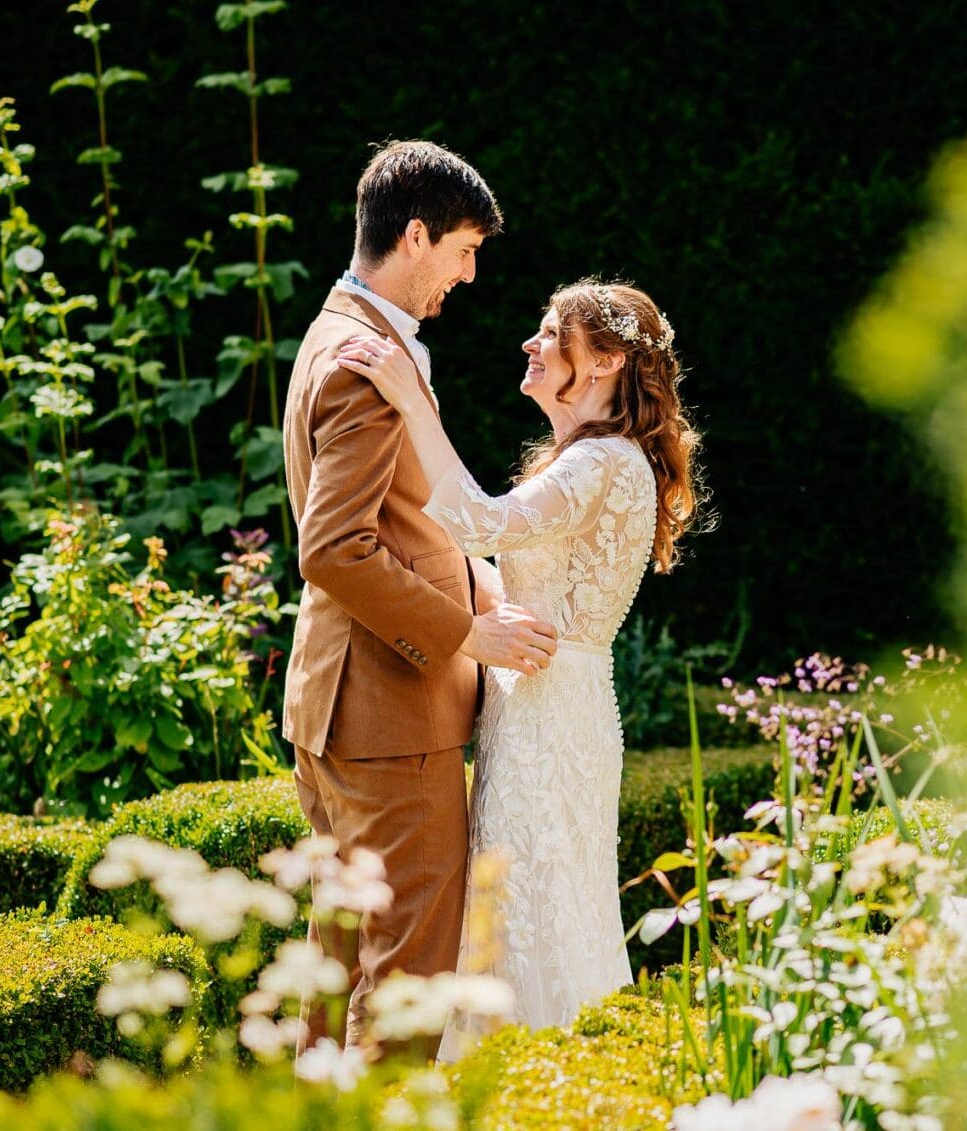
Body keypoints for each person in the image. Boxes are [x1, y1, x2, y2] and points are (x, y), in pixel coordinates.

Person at [335, 278, 703, 1037]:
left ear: (602, 361)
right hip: (548, 705)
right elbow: (527, 576)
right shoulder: (600, 459)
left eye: (548, 333)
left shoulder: (601, 461)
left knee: (530, 913)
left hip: (545, 722)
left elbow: (478, 522)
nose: (529, 344)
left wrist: (413, 399)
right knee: (540, 907)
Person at [281, 140, 559, 1051]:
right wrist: (467, 632)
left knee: (334, 962)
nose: (468, 276)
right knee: (408, 978)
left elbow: (393, 524)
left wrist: (474, 572)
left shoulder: (339, 333)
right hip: (390, 721)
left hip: (337, 706)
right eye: (463, 250)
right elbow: (336, 548)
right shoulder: (364, 359)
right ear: (413, 234)